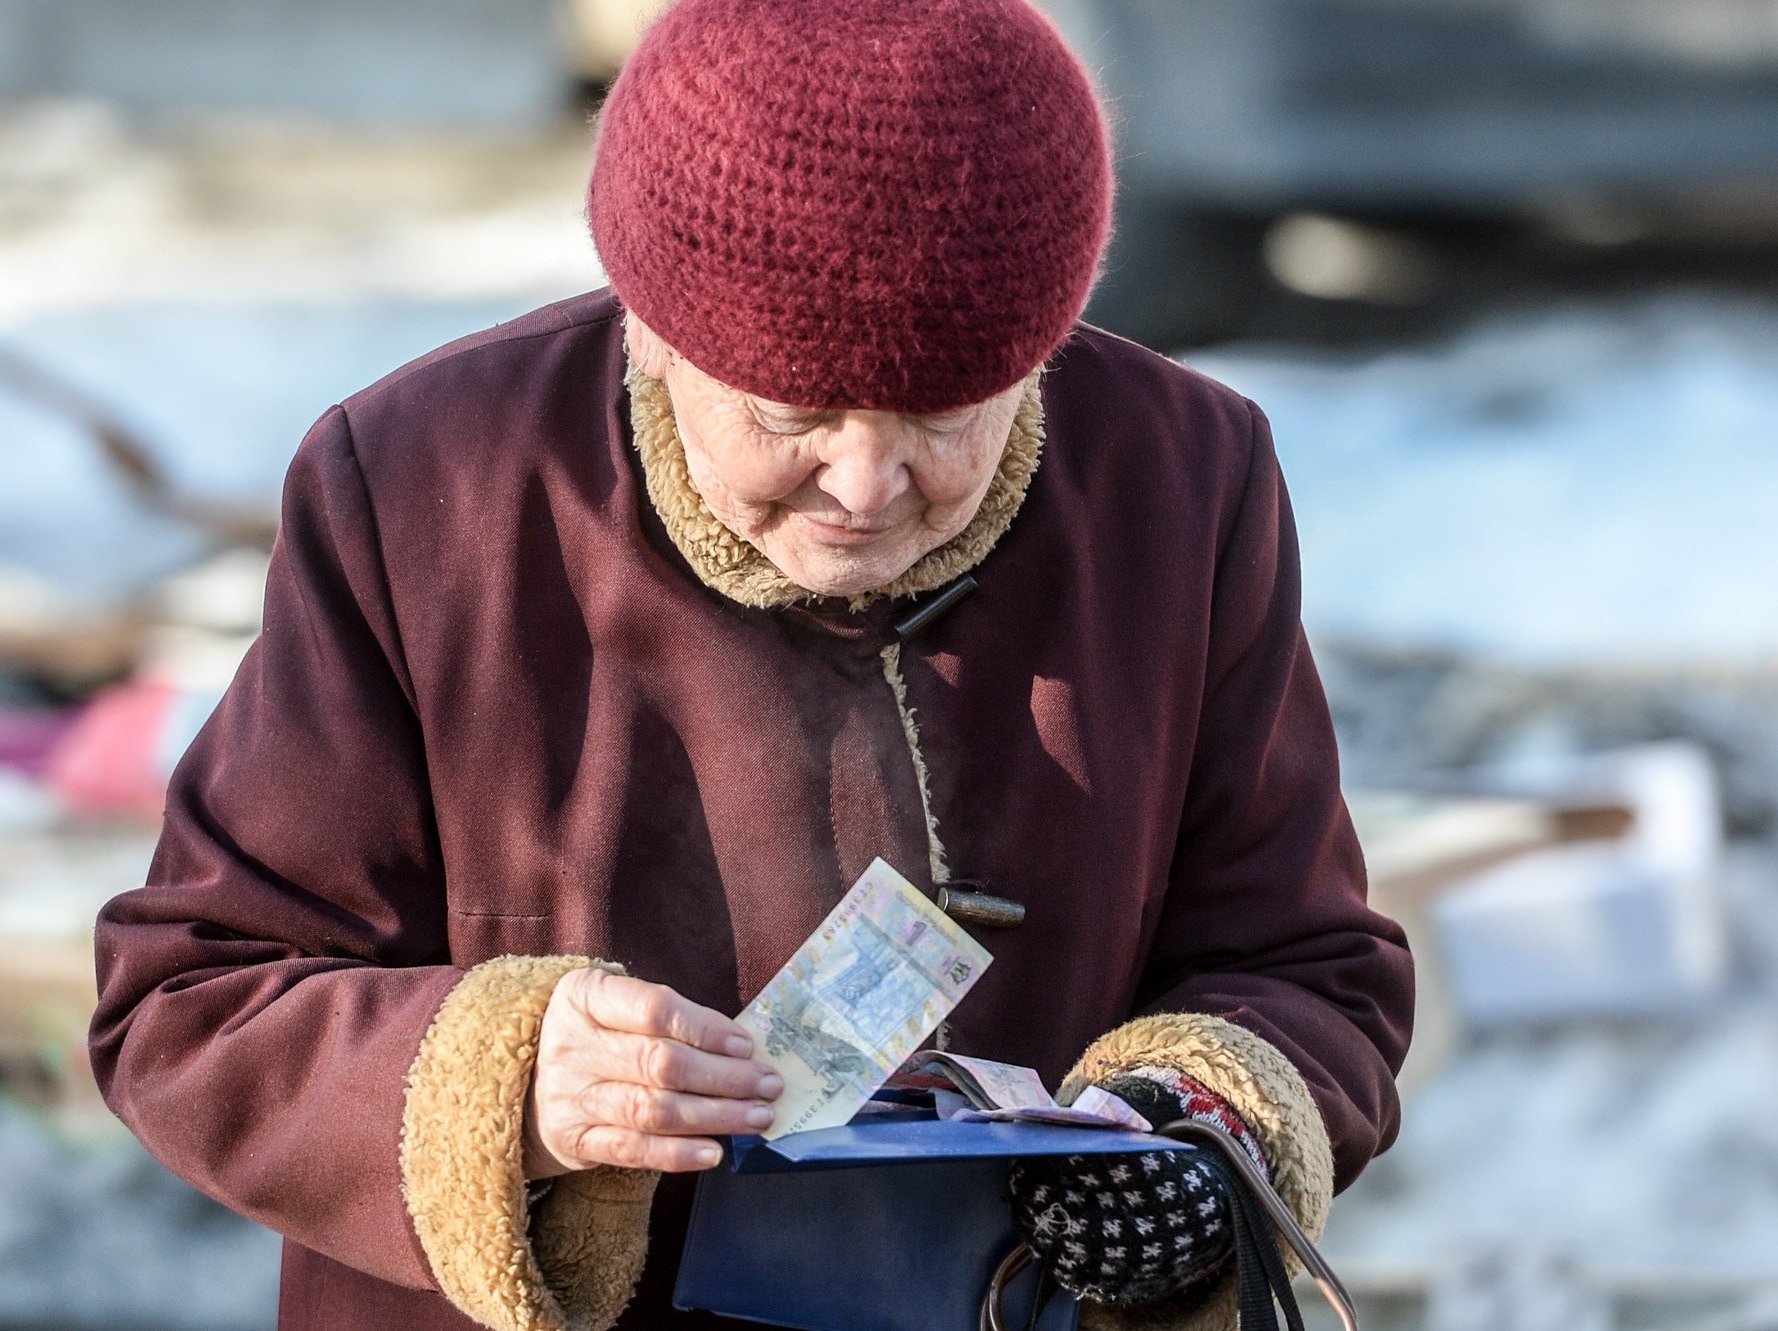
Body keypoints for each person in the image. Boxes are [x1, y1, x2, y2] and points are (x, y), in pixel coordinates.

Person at [88, 0, 1415, 1328]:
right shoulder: (425, 489)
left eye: (948, 416)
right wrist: (505, 1081)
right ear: (656, 333)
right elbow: (190, 1000)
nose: (867, 484)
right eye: (792, 414)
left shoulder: (1181, 479)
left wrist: (1192, 1127)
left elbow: (1306, 960)